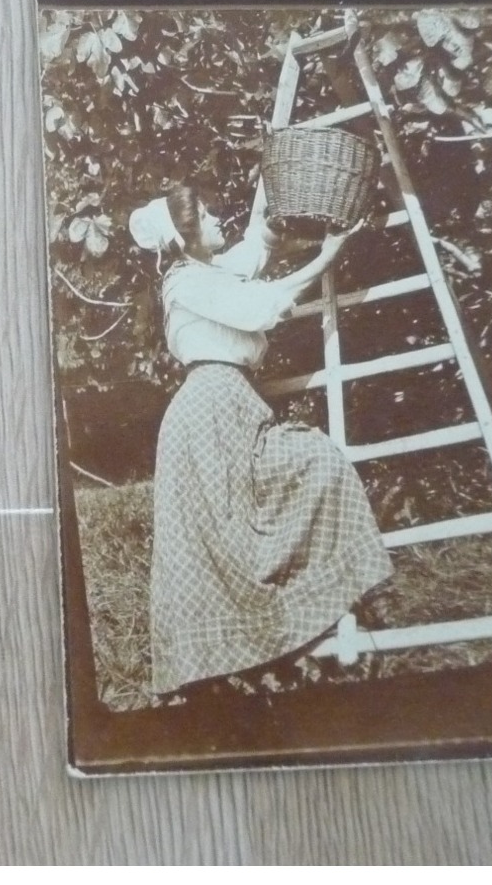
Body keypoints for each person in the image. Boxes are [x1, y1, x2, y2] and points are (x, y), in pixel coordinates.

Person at [129, 183, 392, 692]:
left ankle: (287, 633)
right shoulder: (184, 282)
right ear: (185, 239)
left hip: (229, 405)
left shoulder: (205, 271)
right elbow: (262, 305)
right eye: (205, 215)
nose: (214, 218)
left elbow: (245, 259)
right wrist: (326, 257)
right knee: (232, 532)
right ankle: (237, 659)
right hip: (205, 415)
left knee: (294, 478)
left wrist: (269, 231)